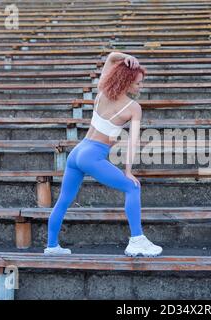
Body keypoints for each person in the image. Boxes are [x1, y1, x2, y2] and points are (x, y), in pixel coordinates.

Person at [44, 51, 163, 257]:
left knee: (63, 200)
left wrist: (124, 57)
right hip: (92, 155)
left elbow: (110, 58)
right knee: (132, 187)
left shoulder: (102, 91)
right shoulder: (133, 108)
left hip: (78, 152)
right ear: (126, 81)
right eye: (137, 83)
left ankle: (51, 246)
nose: (140, 87)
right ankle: (136, 240)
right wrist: (128, 170)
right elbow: (133, 142)